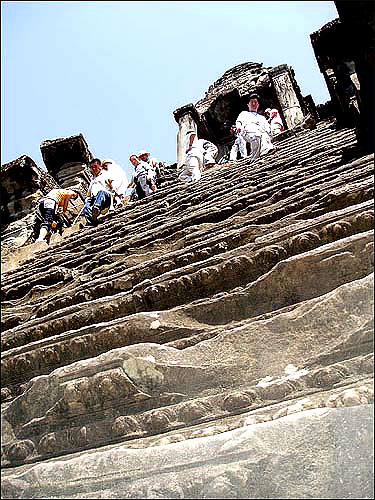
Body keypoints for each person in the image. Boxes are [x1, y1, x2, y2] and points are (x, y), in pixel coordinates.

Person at [235, 93, 274, 162]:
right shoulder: (244, 113)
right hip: (248, 130)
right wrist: (239, 127)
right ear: (248, 104)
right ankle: (255, 158)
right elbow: (239, 121)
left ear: (258, 105)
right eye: (251, 102)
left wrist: (270, 135)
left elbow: (267, 127)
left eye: (255, 102)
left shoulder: (262, 117)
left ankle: (265, 152)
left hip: (260, 132)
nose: (253, 104)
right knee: (256, 135)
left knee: (264, 136)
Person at [83, 158, 113, 226]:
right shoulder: (92, 180)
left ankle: (96, 208)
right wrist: (87, 199)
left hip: (105, 197)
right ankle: (92, 221)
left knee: (101, 192)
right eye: (91, 167)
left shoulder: (105, 174)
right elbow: (89, 193)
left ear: (100, 166)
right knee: (86, 205)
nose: (93, 169)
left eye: (95, 166)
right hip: (94, 198)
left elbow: (113, 184)